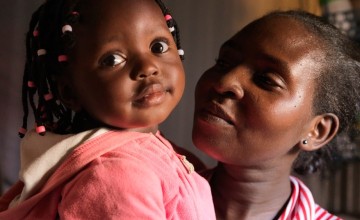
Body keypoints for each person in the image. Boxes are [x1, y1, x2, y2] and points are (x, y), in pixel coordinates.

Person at [0, 0, 216, 219]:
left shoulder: (154, 149)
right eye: (113, 59)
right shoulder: (117, 174)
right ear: (69, 93)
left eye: (158, 47)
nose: (148, 67)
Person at [192, 10, 360, 220]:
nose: (224, 82)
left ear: (317, 131)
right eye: (224, 63)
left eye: (266, 80)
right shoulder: (153, 192)